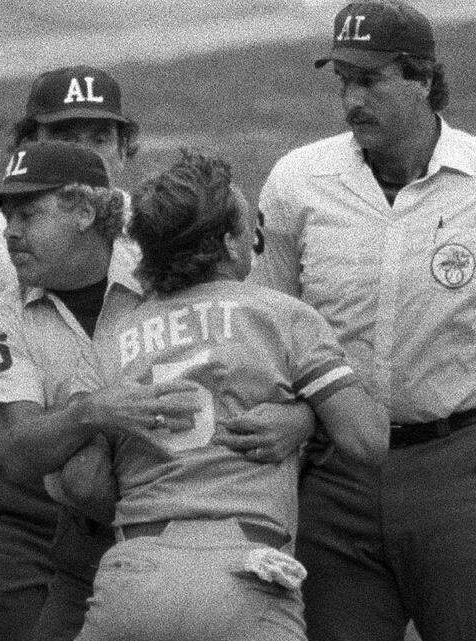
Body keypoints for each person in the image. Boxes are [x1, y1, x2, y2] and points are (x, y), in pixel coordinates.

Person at [250, 2, 476, 640]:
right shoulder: (297, 182)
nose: (352, 102)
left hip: (466, 471)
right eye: (344, 82)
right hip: (333, 478)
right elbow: (266, 331)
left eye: (370, 82)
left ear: (421, 79)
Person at [0, 141, 317, 641]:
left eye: (27, 214)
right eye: (8, 218)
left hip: (210, 532)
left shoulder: (169, 270)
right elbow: (19, 455)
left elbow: (270, 355)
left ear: (84, 212)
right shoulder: (2, 321)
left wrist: (302, 416)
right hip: (82, 544)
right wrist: (91, 414)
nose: (11, 233)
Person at [69, 150, 388, 641]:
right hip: (245, 575)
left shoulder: (112, 337)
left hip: (133, 580)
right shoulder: (283, 317)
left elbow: (83, 484)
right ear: (225, 244)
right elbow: (367, 440)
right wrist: (307, 415)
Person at [0, 65, 141, 641]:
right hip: (21, 504)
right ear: (27, 145)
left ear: (124, 146)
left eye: (99, 137)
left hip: (145, 481)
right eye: (64, 137)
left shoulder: (158, 230)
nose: (86, 151)